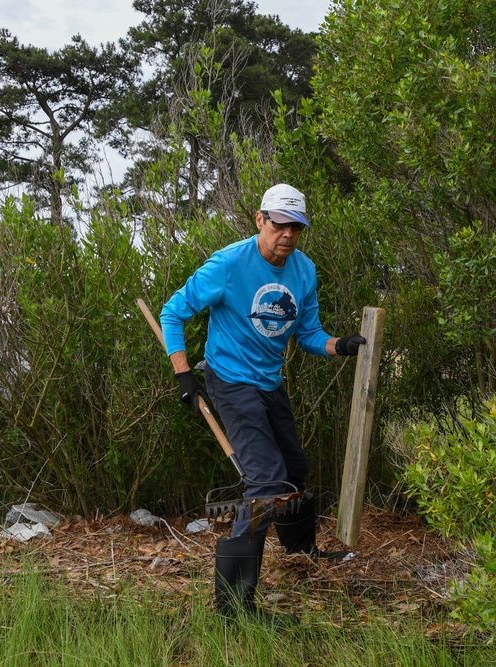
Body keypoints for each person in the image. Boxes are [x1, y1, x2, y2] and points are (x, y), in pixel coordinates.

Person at [159, 183, 366, 624]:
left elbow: (307, 333)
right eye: (279, 224)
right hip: (230, 380)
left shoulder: (304, 271)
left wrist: (339, 346)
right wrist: (183, 374)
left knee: (294, 468)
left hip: (269, 382)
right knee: (267, 485)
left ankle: (300, 553)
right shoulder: (230, 264)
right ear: (260, 220)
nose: (287, 234)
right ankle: (233, 607)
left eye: (296, 226)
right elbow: (172, 312)